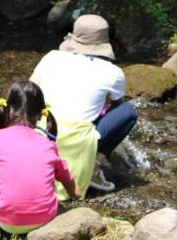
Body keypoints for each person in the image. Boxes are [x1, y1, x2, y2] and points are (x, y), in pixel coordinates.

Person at [0, 81, 80, 240]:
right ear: (41, 115)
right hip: (43, 219)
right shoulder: (48, 144)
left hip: (7, 220)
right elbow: (65, 174)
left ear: (7, 110)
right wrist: (75, 193)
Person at [30, 15, 138, 195]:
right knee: (128, 112)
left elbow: (30, 91)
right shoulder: (113, 72)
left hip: (42, 132)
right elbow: (117, 105)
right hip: (76, 137)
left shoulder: (51, 57)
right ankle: (95, 164)